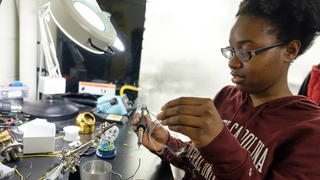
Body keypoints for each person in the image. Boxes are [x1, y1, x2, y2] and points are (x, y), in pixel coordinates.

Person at [133, 0, 320, 179]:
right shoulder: (227, 97)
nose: (232, 62)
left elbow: (221, 155)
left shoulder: (309, 133)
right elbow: (199, 163)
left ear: (290, 51)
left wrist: (220, 144)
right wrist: (166, 144)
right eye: (231, 50)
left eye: (246, 52)